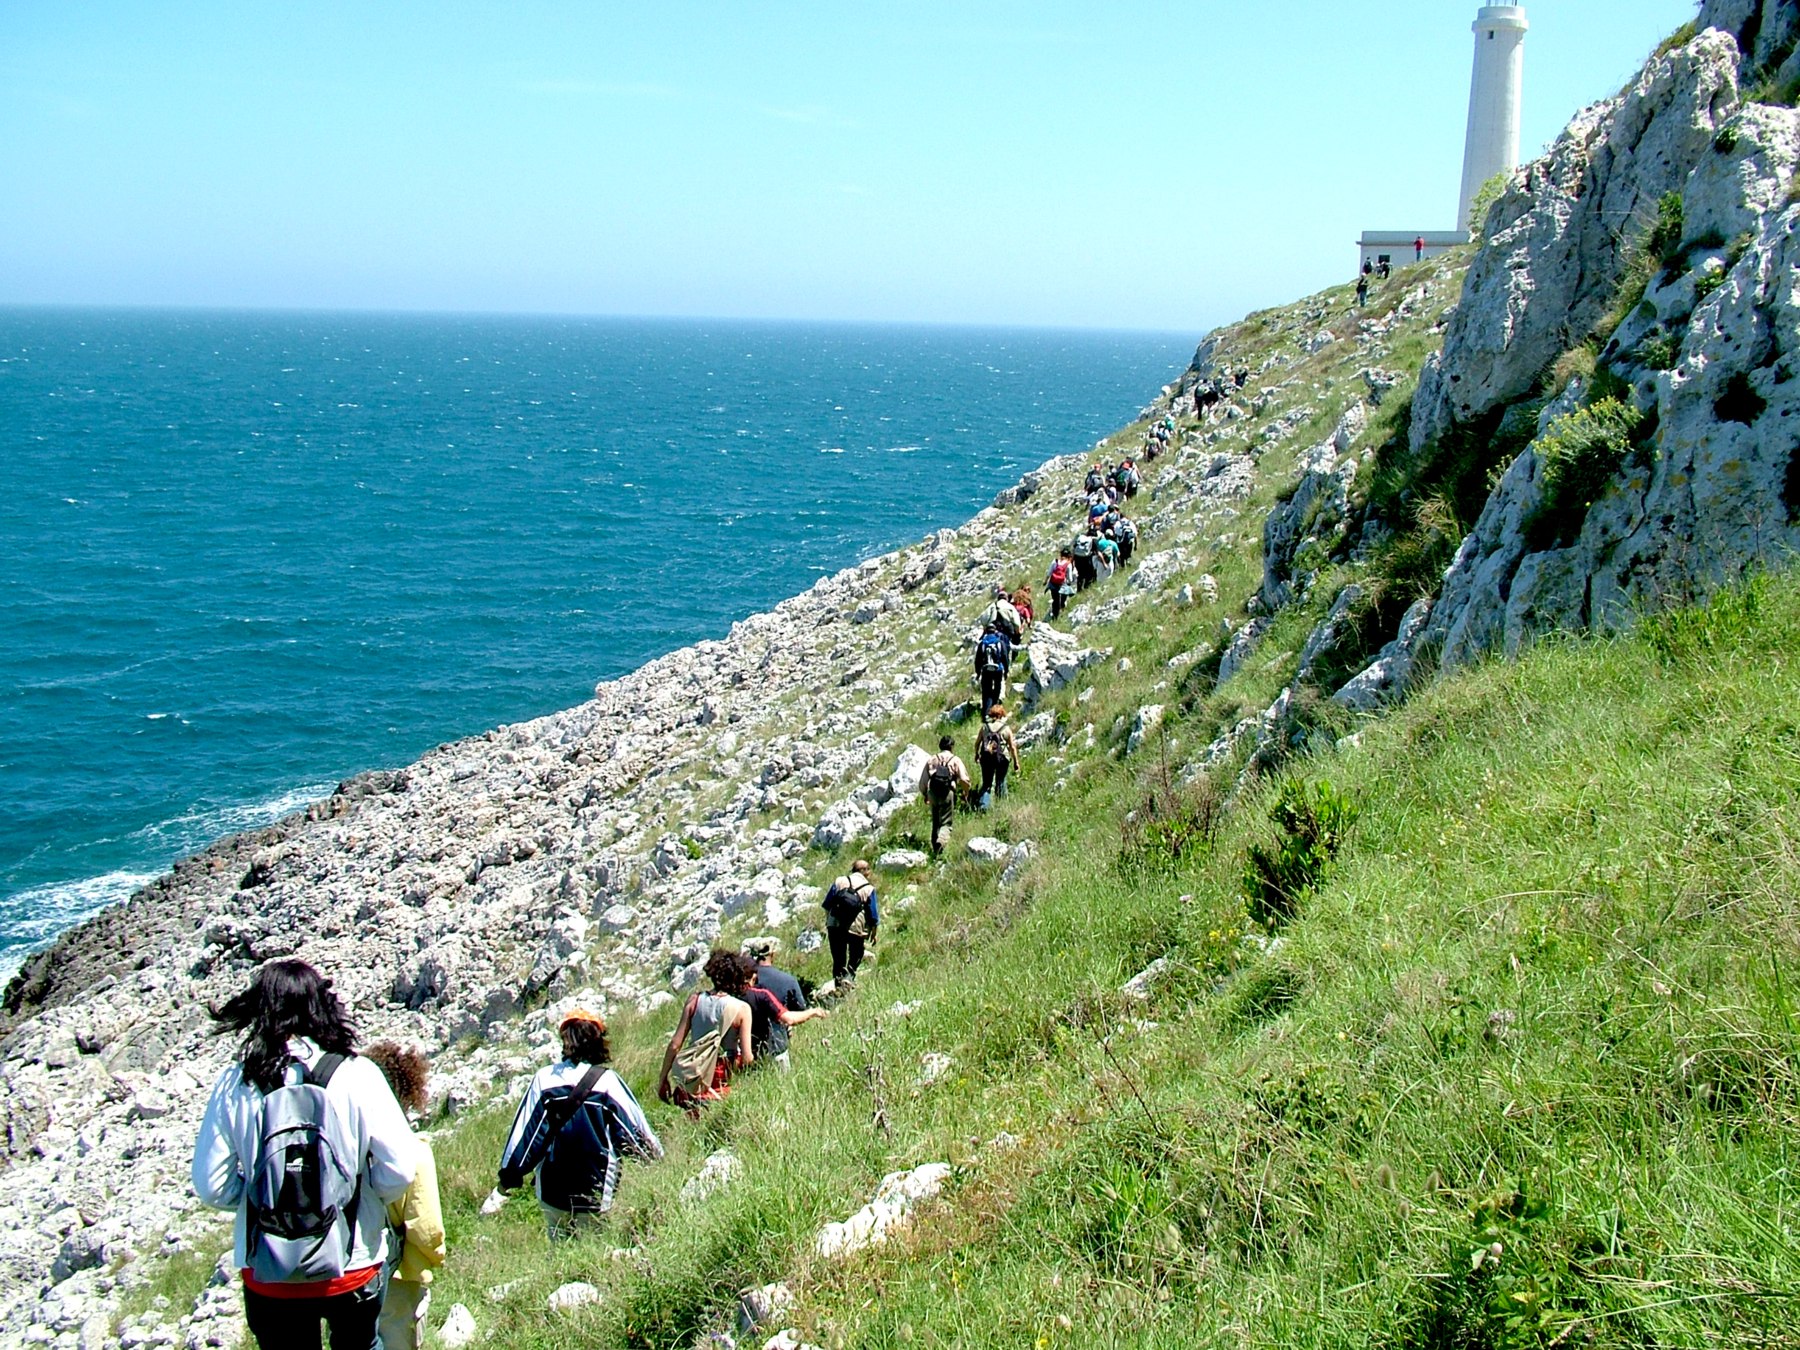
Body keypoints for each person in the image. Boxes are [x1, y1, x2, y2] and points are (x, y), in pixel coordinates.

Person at [191, 959, 417, 1350]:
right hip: (352, 1261)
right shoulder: (358, 1073)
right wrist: (359, 1196)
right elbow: (399, 1167)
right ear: (322, 1006)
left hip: (270, 1270)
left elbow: (211, 1186)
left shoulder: (236, 1082)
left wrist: (262, 1200)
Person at [499, 1008, 663, 1240]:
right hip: (596, 1188)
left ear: (565, 1039)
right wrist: (656, 1161)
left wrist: (510, 1176)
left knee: (558, 1244)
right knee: (593, 1245)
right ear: (598, 1041)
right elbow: (635, 1133)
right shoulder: (608, 1082)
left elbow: (525, 1136)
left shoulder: (544, 1080)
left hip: (553, 1188)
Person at [362, 1043, 444, 1350]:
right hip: (400, 1275)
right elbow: (427, 1227)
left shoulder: (347, 1145)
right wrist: (435, 1257)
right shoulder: (414, 1150)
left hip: (351, 1272)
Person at [657, 953, 754, 1115]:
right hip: (723, 1071)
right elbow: (747, 1057)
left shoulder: (694, 1000)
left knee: (693, 1116)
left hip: (695, 1069)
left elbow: (675, 1044)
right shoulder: (742, 1009)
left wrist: (663, 1078)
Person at [821, 860, 880, 986]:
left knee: (838, 958)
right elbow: (873, 915)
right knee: (857, 954)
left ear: (853, 870)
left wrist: (829, 922)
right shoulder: (869, 889)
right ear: (867, 872)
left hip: (835, 925)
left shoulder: (839, 881)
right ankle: (850, 975)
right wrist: (873, 933)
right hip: (856, 928)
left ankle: (838, 984)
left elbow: (827, 904)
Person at [920, 734, 972, 858]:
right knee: (946, 822)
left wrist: (925, 794)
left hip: (932, 791)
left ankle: (934, 847)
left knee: (935, 821)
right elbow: (964, 779)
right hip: (947, 792)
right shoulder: (955, 760)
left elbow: (923, 781)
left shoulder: (932, 759)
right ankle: (941, 842)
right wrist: (966, 792)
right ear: (952, 747)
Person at [975, 704, 1021, 810]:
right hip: (1002, 758)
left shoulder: (985, 727)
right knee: (1001, 781)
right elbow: (1012, 747)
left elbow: (977, 743)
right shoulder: (1006, 728)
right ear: (1002, 715)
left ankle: (983, 806)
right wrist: (1016, 762)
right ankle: (1002, 806)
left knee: (987, 783)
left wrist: (976, 754)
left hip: (986, 758)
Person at [974, 623, 1012, 716]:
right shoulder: (1000, 642)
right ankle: (995, 710)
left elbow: (977, 660)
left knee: (986, 691)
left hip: (986, 670)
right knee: (997, 689)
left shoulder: (982, 643)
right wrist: (1006, 671)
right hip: (998, 670)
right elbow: (1005, 658)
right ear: (995, 631)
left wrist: (978, 673)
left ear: (986, 631)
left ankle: (986, 713)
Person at [1046, 549, 1076, 620]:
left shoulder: (1055, 561)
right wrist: (1070, 582)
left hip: (1053, 584)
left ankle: (1055, 614)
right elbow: (1070, 578)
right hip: (1062, 584)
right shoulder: (1068, 564)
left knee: (1055, 599)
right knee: (1063, 598)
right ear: (1069, 556)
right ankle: (1061, 608)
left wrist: (1046, 581)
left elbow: (1049, 572)